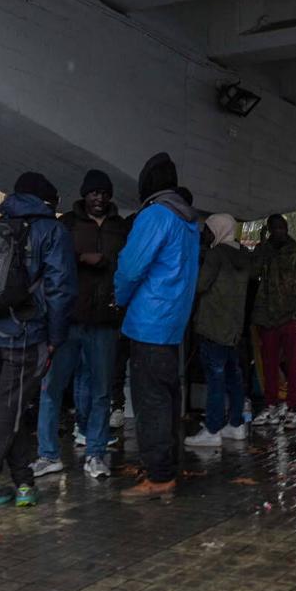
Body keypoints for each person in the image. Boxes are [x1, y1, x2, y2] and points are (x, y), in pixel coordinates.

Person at [0, 172, 77, 510]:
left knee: (9, 410)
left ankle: (24, 484)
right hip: (28, 335)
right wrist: (56, 337)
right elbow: (61, 289)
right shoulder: (52, 231)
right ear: (47, 201)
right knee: (9, 415)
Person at [32, 169, 130, 480]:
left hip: (105, 321)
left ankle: (96, 453)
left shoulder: (120, 228)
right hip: (68, 319)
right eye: (93, 193)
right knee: (52, 389)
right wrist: (81, 258)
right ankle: (48, 455)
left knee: (101, 391)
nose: (99, 198)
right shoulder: (67, 224)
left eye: (104, 193)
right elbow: (51, 261)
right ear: (84, 195)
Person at [114, 152, 200, 496]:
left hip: (148, 320)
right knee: (167, 396)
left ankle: (159, 476)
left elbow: (131, 267)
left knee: (150, 401)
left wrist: (118, 298)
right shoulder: (189, 221)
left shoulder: (155, 215)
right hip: (173, 321)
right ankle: (166, 466)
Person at [185, 214, 252, 448]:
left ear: (219, 230)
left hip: (213, 326)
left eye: (209, 230)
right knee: (234, 377)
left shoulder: (216, 255)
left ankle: (212, 429)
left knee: (215, 378)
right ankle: (235, 425)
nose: (206, 234)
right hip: (234, 328)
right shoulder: (243, 255)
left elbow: (200, 286)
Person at [251, 215, 296, 430]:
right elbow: (253, 272)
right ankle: (271, 406)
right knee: (269, 365)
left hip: (289, 317)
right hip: (267, 316)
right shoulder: (265, 250)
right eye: (273, 228)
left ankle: (292, 407)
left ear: (286, 228)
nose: (278, 231)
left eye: (281, 227)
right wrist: (260, 247)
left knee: (292, 365)